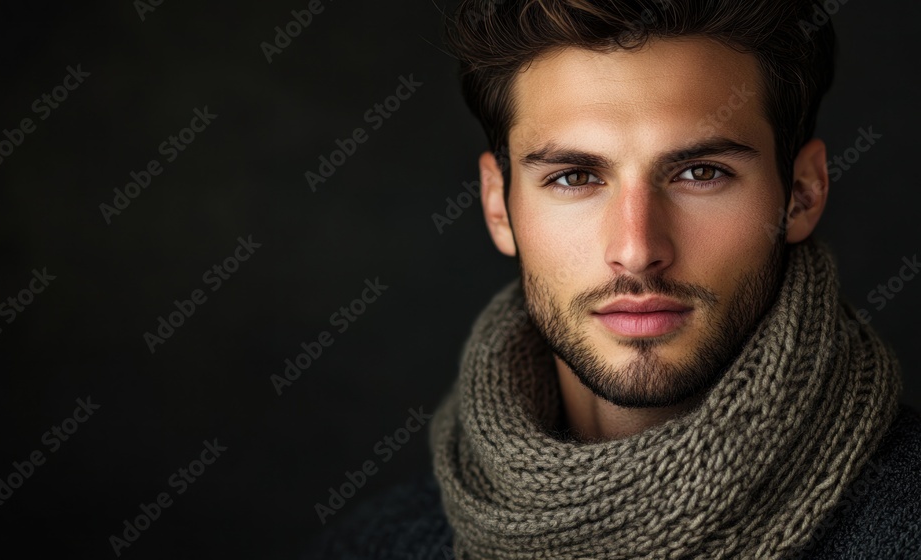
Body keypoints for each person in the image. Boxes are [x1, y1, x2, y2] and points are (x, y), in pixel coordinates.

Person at [303, 1, 921, 558]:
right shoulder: (375, 543)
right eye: (575, 177)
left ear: (803, 193)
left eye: (701, 172)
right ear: (498, 205)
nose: (636, 249)